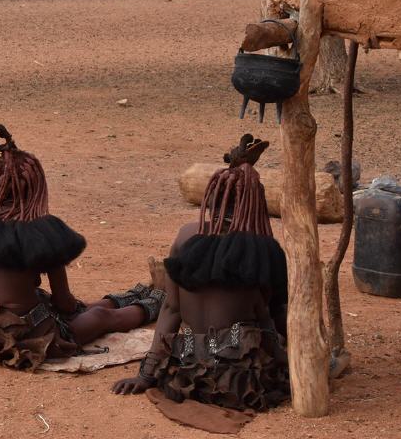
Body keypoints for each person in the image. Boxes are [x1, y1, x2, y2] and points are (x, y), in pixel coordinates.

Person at [0, 127, 164, 371]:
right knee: (101, 317)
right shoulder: (41, 230)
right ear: (37, 184)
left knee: (80, 308)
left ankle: (138, 296)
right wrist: (75, 311)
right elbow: (65, 304)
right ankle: (158, 301)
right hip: (23, 332)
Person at [112, 135, 289, 415]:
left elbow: (170, 308)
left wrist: (146, 375)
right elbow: (271, 316)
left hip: (185, 371)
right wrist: (289, 365)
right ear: (255, 201)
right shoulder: (262, 248)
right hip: (238, 378)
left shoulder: (185, 235)